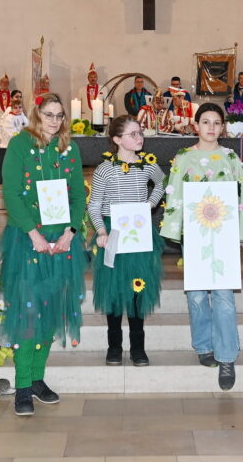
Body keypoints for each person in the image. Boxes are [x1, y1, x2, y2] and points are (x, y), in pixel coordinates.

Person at [0, 93, 87, 416]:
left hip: (61, 241)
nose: (54, 120)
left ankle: (38, 379)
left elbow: (78, 193)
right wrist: (33, 233)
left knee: (50, 311)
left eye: (59, 115)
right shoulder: (20, 145)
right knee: (28, 312)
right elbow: (11, 193)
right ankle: (22, 385)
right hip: (28, 239)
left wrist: (71, 231)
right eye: (48, 114)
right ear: (37, 115)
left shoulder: (70, 148)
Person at [161, 103, 243, 390]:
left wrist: (239, 231)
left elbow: (240, 196)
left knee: (223, 296)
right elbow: (174, 195)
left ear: (223, 127)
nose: (211, 127)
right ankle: (203, 345)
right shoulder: (184, 158)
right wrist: (176, 231)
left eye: (216, 122)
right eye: (205, 122)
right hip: (196, 237)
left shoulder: (231, 157)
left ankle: (226, 356)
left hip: (222, 237)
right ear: (195, 126)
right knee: (197, 296)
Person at [88, 115, 166, 366]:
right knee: (113, 289)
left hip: (139, 232)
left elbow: (162, 184)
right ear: (117, 139)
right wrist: (101, 231)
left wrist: (149, 206)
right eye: (133, 134)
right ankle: (114, 346)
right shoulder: (105, 169)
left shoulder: (147, 164)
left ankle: (138, 347)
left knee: (137, 288)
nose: (139, 137)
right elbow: (95, 204)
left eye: (140, 132)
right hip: (113, 232)